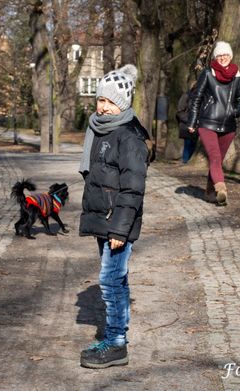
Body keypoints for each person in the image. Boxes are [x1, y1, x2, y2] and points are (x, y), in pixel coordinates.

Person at [78, 64, 151, 369]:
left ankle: (117, 342)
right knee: (116, 278)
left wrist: (119, 230)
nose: (103, 106)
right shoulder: (98, 129)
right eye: (101, 100)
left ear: (122, 103)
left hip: (118, 222)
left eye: (110, 101)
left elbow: (133, 188)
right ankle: (117, 336)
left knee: (109, 280)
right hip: (104, 218)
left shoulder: (129, 137)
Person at [187, 41, 240, 205]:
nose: (223, 57)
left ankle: (209, 192)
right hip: (208, 123)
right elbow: (196, 98)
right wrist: (192, 121)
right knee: (214, 156)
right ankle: (221, 188)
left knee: (217, 161)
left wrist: (235, 111)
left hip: (228, 126)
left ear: (230, 56)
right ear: (215, 57)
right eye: (219, 55)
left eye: (226, 54)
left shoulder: (238, 76)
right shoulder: (207, 73)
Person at [176, 81, 198, 163]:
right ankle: (185, 161)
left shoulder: (203, 97)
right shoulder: (186, 96)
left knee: (195, 144)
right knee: (188, 144)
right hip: (187, 124)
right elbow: (179, 111)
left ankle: (187, 160)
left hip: (198, 124)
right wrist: (189, 120)